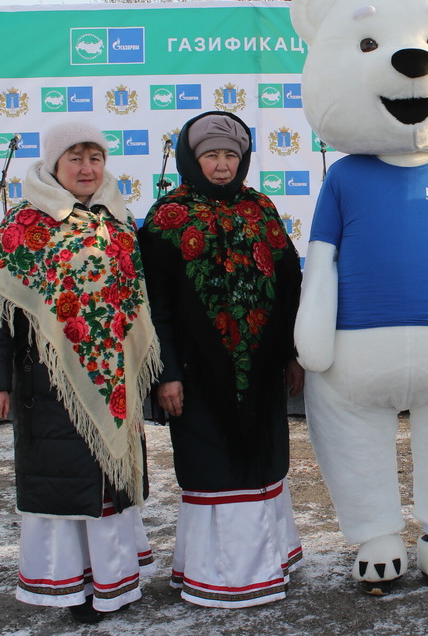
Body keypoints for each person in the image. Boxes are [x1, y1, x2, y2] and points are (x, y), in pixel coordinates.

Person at [0, 121, 160, 625]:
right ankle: (67, 587)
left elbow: (138, 309)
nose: (86, 168)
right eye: (75, 157)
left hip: (114, 386)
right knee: (64, 489)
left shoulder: (118, 224)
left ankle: (113, 583)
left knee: (106, 488)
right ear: (55, 164)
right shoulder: (25, 225)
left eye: (94, 157)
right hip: (48, 388)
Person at [139, 111, 305, 608]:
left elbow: (290, 285)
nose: (221, 164)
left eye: (231, 155)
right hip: (196, 375)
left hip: (261, 372)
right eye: (211, 155)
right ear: (192, 158)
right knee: (214, 467)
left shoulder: (260, 209)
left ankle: (271, 560)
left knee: (263, 462)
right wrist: (165, 374)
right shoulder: (168, 218)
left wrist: (294, 353)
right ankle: (224, 576)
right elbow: (154, 306)